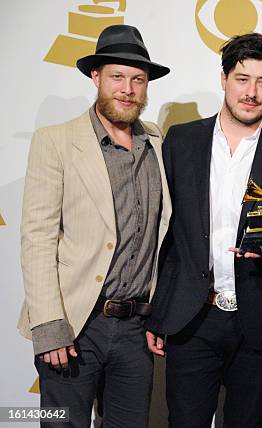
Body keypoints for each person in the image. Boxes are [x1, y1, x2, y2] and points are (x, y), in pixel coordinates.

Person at [145, 33, 262, 428]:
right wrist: (159, 314)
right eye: (242, 79)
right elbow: (167, 235)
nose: (252, 92)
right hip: (192, 319)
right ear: (223, 79)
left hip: (260, 318)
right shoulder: (181, 141)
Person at [18, 25, 171, 427]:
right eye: (117, 77)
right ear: (96, 77)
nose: (128, 88)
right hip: (74, 323)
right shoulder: (56, 141)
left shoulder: (156, 142)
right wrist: (49, 325)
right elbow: (37, 238)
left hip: (137, 327)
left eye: (138, 80)